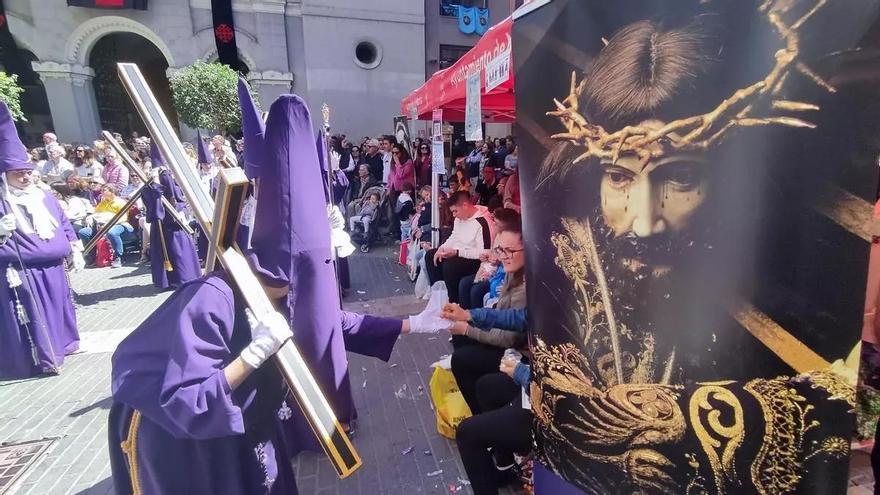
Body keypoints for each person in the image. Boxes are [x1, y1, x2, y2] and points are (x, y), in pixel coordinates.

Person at [0, 103, 83, 379]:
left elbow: (62, 220)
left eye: (26, 171)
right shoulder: (3, 201)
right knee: (37, 317)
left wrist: (74, 245)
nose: (24, 177)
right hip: (24, 271)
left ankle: (65, 346)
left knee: (60, 311)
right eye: (18, 173)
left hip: (55, 266)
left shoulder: (44, 195)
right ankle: (45, 358)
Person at [141, 145, 201, 290]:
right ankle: (167, 280)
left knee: (178, 249)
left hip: (173, 220)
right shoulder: (150, 184)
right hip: (161, 222)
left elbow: (177, 198)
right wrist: (154, 185)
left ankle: (183, 276)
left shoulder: (169, 177)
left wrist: (181, 211)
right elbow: (150, 201)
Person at [424, 191, 494, 303]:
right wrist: (442, 248)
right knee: (431, 256)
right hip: (458, 253)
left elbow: (484, 253)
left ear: (465, 205)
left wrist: (457, 252)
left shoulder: (483, 223)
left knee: (450, 266)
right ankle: (439, 297)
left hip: (476, 260)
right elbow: (454, 237)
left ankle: (454, 302)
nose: (454, 215)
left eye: (455, 211)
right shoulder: (459, 219)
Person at [77, 184, 132, 268]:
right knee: (84, 232)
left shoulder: (120, 202)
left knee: (112, 232)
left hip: (119, 224)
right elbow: (96, 214)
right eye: (101, 190)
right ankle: (92, 256)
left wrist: (108, 225)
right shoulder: (103, 202)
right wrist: (90, 218)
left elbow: (123, 218)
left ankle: (118, 257)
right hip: (101, 225)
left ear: (112, 191)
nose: (101, 192)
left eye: (104, 190)